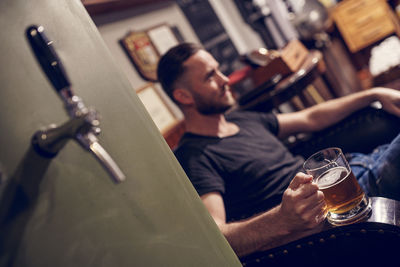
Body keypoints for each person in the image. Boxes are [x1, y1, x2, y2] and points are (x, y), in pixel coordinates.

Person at [156, 42, 400, 257]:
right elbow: (218, 237)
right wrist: (280, 220)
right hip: (345, 205)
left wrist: (371, 94)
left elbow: (310, 118)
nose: (225, 79)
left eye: (219, 70)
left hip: (360, 165)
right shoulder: (194, 156)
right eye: (211, 76)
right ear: (184, 96)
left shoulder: (240, 119)